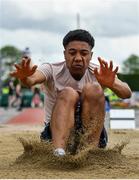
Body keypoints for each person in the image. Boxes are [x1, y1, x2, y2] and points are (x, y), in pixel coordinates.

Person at [10, 29, 132, 157]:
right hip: (54, 136)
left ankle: (91, 152)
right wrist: (24, 77)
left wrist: (112, 83)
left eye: (84, 53)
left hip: (90, 134)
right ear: (64, 54)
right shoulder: (52, 69)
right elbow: (31, 80)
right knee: (68, 92)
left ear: (91, 55)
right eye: (72, 53)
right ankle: (59, 153)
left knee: (94, 89)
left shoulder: (99, 72)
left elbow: (126, 93)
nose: (78, 58)